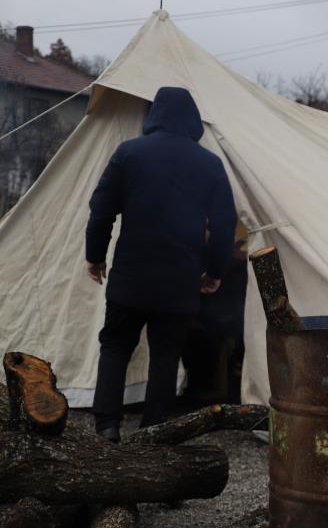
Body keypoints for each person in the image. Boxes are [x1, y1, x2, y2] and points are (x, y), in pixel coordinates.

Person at [85, 86, 237, 442]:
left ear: (155, 116)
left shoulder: (129, 153)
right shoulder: (209, 163)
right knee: (166, 356)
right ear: (192, 120)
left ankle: (107, 426)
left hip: (130, 277)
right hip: (179, 281)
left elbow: (101, 211)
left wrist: (95, 255)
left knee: (115, 346)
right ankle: (152, 434)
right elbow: (225, 225)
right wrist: (215, 272)